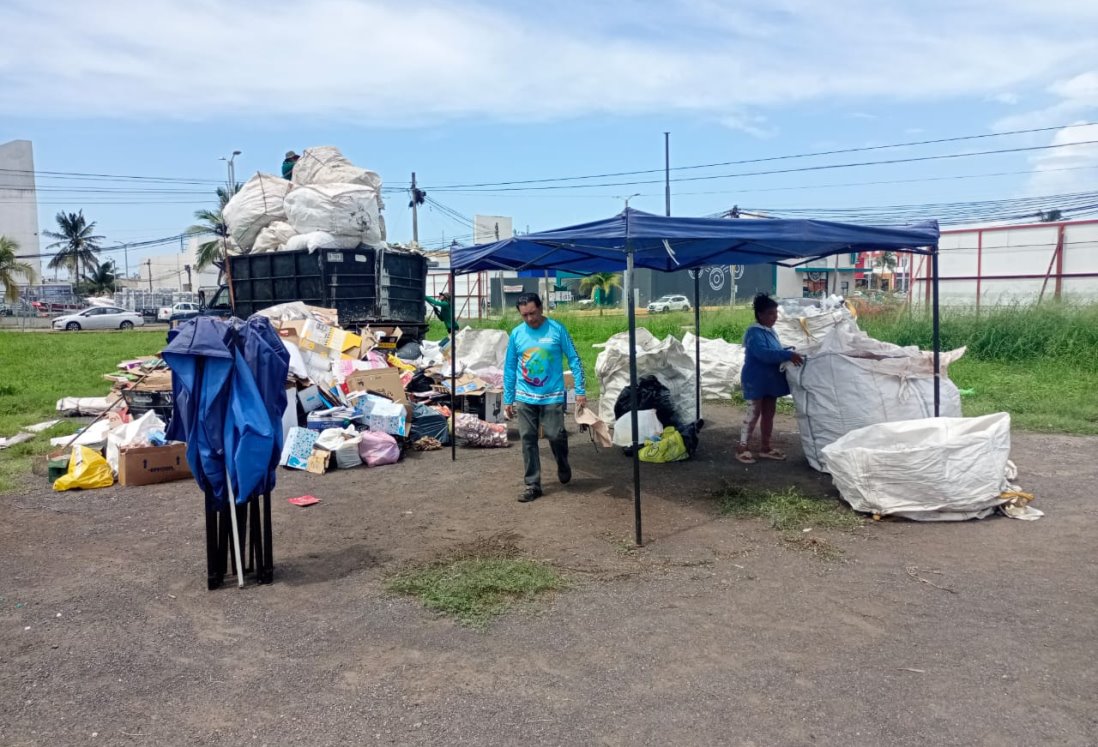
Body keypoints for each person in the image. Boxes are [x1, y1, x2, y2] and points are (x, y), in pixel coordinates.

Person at [503, 293, 587, 503]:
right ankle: (533, 484)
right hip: (525, 396)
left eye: (532, 313)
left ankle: (562, 462)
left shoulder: (557, 330)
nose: (530, 319)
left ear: (541, 308)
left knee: (555, 434)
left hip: (552, 395)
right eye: (524, 315)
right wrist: (508, 398)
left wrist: (580, 391)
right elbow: (510, 367)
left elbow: (574, 359)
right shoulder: (516, 334)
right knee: (528, 438)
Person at [736, 293, 804, 464]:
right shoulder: (754, 332)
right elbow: (763, 354)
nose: (775, 317)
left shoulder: (770, 332)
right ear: (760, 315)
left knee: (768, 414)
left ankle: (765, 447)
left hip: (769, 380)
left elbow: (775, 350)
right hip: (755, 378)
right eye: (770, 313)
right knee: (753, 412)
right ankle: (742, 448)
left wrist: (788, 351)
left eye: (775, 313)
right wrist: (786, 354)